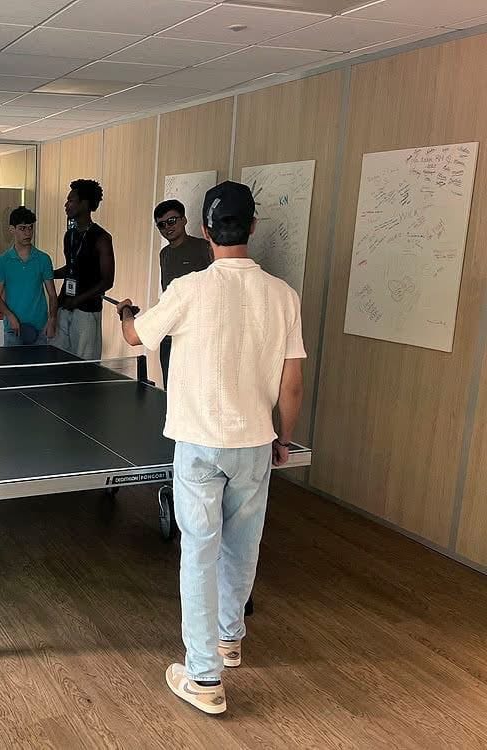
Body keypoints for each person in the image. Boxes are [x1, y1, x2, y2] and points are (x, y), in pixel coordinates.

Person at [115, 181, 306, 716]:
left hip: (199, 445)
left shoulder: (189, 288)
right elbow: (291, 385)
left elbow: (137, 338)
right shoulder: (283, 296)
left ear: (204, 231)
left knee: (198, 553)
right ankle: (229, 640)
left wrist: (129, 316)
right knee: (242, 547)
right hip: (253, 443)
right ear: (251, 227)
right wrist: (284, 438)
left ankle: (203, 676)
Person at [52, 179, 114, 360]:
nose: (66, 205)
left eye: (71, 200)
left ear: (85, 204)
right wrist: (49, 274)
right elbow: (72, 269)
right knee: (59, 362)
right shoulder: (69, 235)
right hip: (64, 307)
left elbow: (107, 281)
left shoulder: (101, 238)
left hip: (87, 312)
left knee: (84, 367)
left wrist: (78, 299)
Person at [155, 199, 214, 387]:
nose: (167, 228)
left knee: (197, 389)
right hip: (170, 333)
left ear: (184, 220)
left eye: (171, 221)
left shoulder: (204, 248)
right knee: (170, 389)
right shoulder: (164, 254)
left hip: (197, 335)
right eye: (161, 225)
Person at [0, 206, 57, 346]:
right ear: (12, 230)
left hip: (40, 328)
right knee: (14, 368)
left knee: (39, 368)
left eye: (30, 227)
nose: (28, 232)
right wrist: (10, 316)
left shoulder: (43, 259)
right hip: (13, 329)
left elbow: (52, 294)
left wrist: (52, 319)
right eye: (22, 228)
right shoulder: (3, 262)